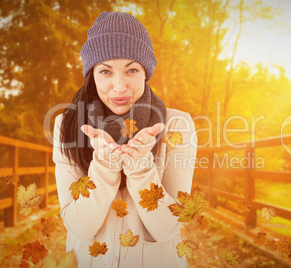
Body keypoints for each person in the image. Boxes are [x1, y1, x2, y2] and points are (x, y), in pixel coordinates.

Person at [52, 11, 197, 268]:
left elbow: (167, 229)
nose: (119, 87)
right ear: (92, 74)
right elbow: (79, 228)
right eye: (106, 72)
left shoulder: (177, 125)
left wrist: (141, 169)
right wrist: (105, 166)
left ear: (145, 72)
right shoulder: (68, 125)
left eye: (131, 69)